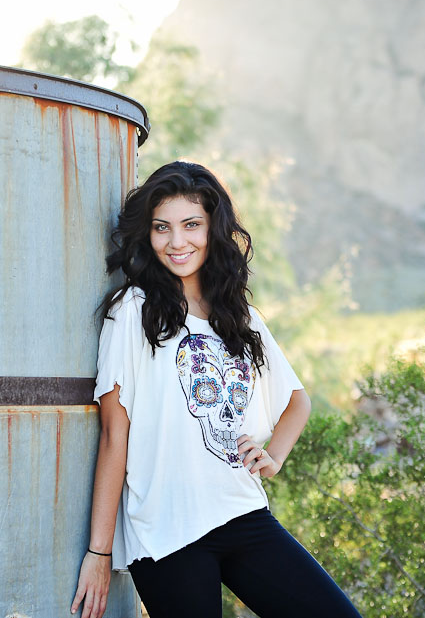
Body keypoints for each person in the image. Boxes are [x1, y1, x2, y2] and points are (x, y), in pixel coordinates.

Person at [70, 162, 361, 618]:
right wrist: (99, 552)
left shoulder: (239, 317)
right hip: (167, 532)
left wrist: (273, 457)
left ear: (213, 229)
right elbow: (113, 435)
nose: (176, 241)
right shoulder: (133, 311)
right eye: (162, 227)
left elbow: (296, 401)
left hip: (242, 512)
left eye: (191, 225)